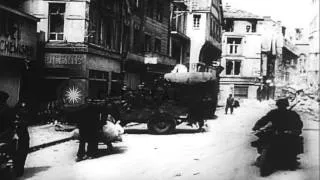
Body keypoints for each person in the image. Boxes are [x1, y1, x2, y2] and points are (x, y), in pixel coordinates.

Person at [252, 98, 303, 169]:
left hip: (287, 133)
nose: (281, 107)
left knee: (294, 142)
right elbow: (264, 119)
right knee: (264, 139)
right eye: (280, 105)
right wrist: (257, 126)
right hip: (275, 132)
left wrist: (295, 130)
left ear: (286, 106)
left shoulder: (292, 114)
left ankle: (292, 158)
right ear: (278, 105)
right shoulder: (274, 113)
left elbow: (299, 124)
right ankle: (263, 155)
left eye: (283, 105)